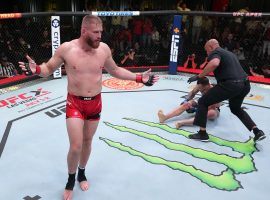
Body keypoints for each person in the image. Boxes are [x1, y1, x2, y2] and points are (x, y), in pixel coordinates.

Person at [18, 15, 159, 200]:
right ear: (84, 31)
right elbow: (48, 69)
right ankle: (70, 180)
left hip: (95, 102)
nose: (100, 36)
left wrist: (139, 78)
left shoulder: (104, 49)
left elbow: (115, 70)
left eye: (101, 32)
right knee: (76, 146)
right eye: (95, 32)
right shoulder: (67, 49)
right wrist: (36, 69)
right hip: (74, 102)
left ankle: (82, 172)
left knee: (87, 142)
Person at [187, 39, 265, 142]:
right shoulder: (230, 54)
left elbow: (214, 63)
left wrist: (199, 76)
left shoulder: (215, 52)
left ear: (211, 47)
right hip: (245, 84)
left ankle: (202, 134)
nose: (207, 53)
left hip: (230, 84)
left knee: (202, 102)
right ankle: (257, 131)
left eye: (207, 51)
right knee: (235, 108)